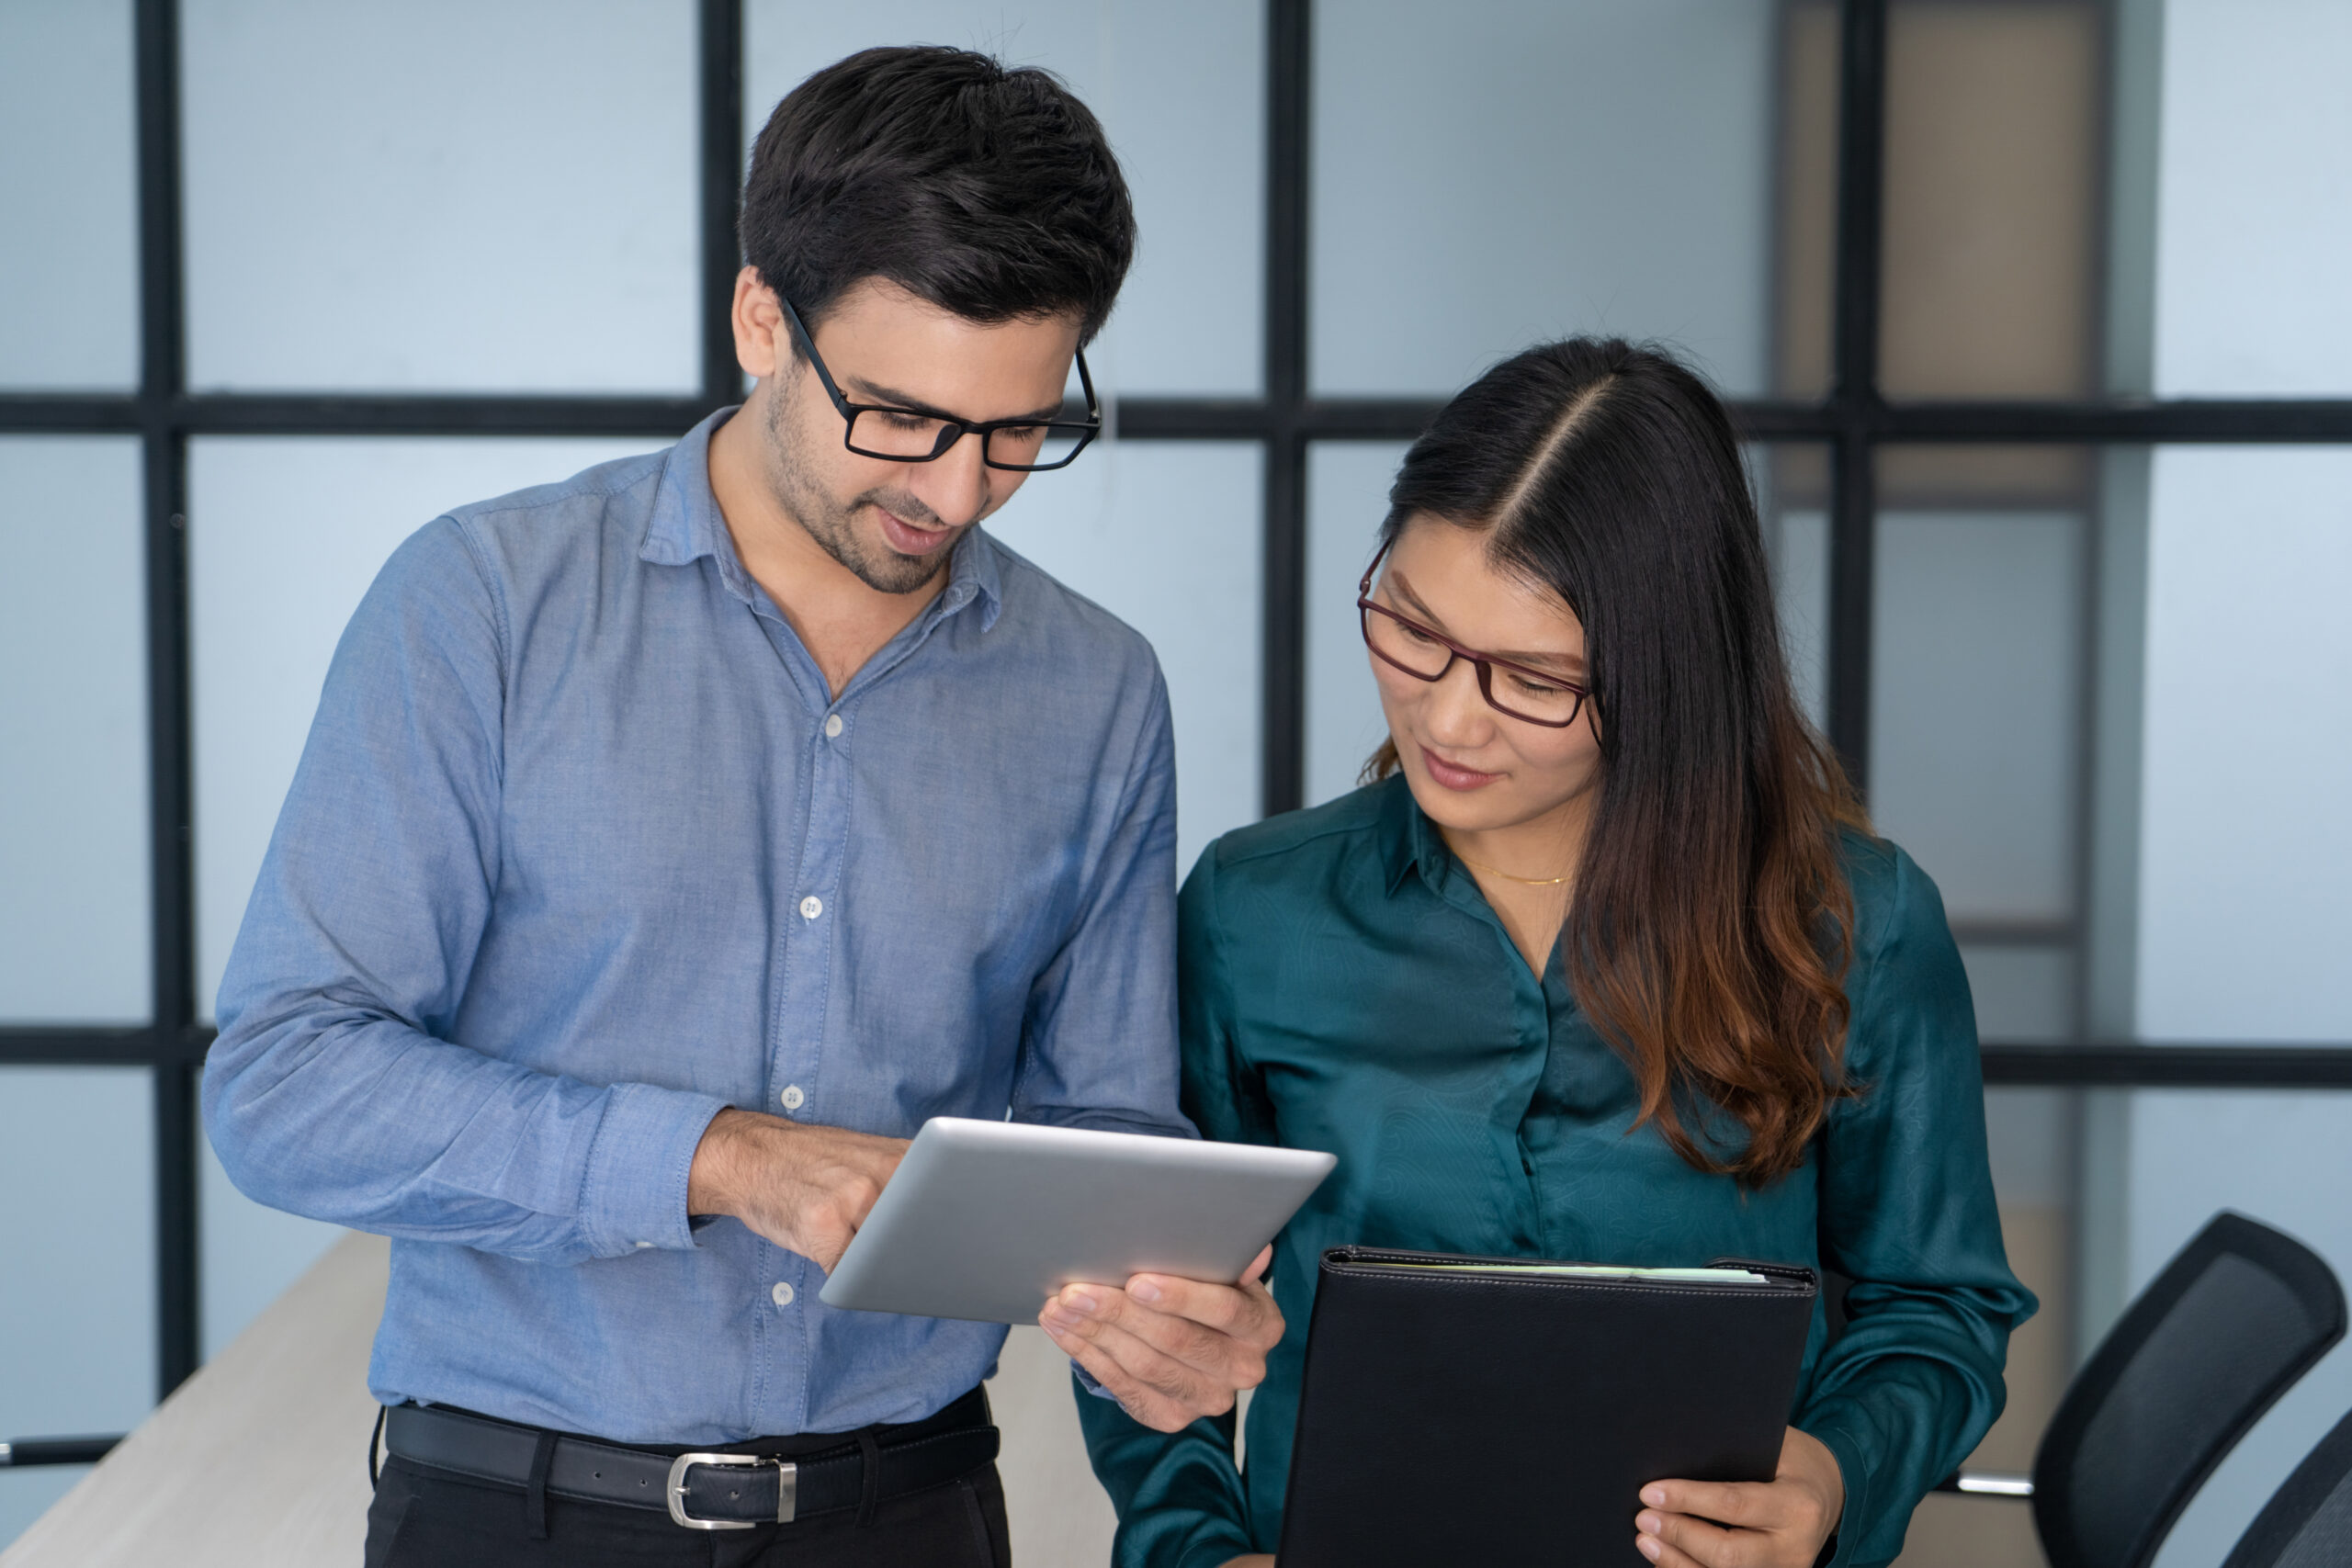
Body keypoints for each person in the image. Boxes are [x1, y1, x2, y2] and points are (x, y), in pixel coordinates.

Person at [205, 46, 1281, 1567]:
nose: (960, 495)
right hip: (516, 1513)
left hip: (910, 1512)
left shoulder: (1097, 689)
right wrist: (725, 1156)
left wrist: (1159, 1309)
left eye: (1021, 432)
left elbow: (1103, 1126)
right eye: (904, 419)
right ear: (762, 319)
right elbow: (285, 1089)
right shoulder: (485, 606)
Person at [1064, 339, 2037, 1568]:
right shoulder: (1254, 912)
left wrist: (1839, 1473)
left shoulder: (1855, 924)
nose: (1447, 718)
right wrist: (1195, 1548)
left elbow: (1938, 1305)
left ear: (1664, 678)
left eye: (1535, 680)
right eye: (1412, 629)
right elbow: (1153, 1312)